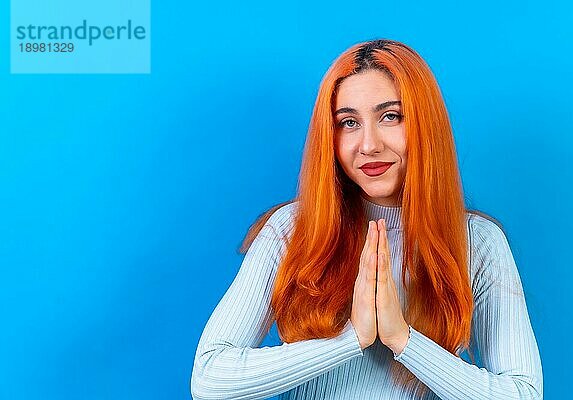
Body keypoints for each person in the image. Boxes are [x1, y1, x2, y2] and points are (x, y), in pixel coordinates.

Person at [190, 39, 543, 400]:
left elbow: (522, 393)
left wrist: (402, 339)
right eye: (348, 122)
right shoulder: (292, 230)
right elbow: (210, 378)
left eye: (390, 116)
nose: (369, 144)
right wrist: (350, 340)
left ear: (425, 126)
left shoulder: (477, 242)